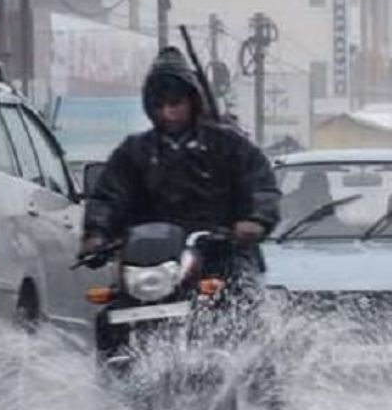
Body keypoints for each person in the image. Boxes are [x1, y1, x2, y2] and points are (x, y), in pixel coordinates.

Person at [79, 46, 281, 282]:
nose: (167, 113)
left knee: (241, 295)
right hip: (149, 265)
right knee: (111, 308)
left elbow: (261, 185)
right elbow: (108, 196)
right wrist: (97, 233)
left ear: (192, 101)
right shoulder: (133, 152)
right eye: (158, 105)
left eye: (175, 103)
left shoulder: (229, 145)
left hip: (223, 256)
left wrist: (256, 220)